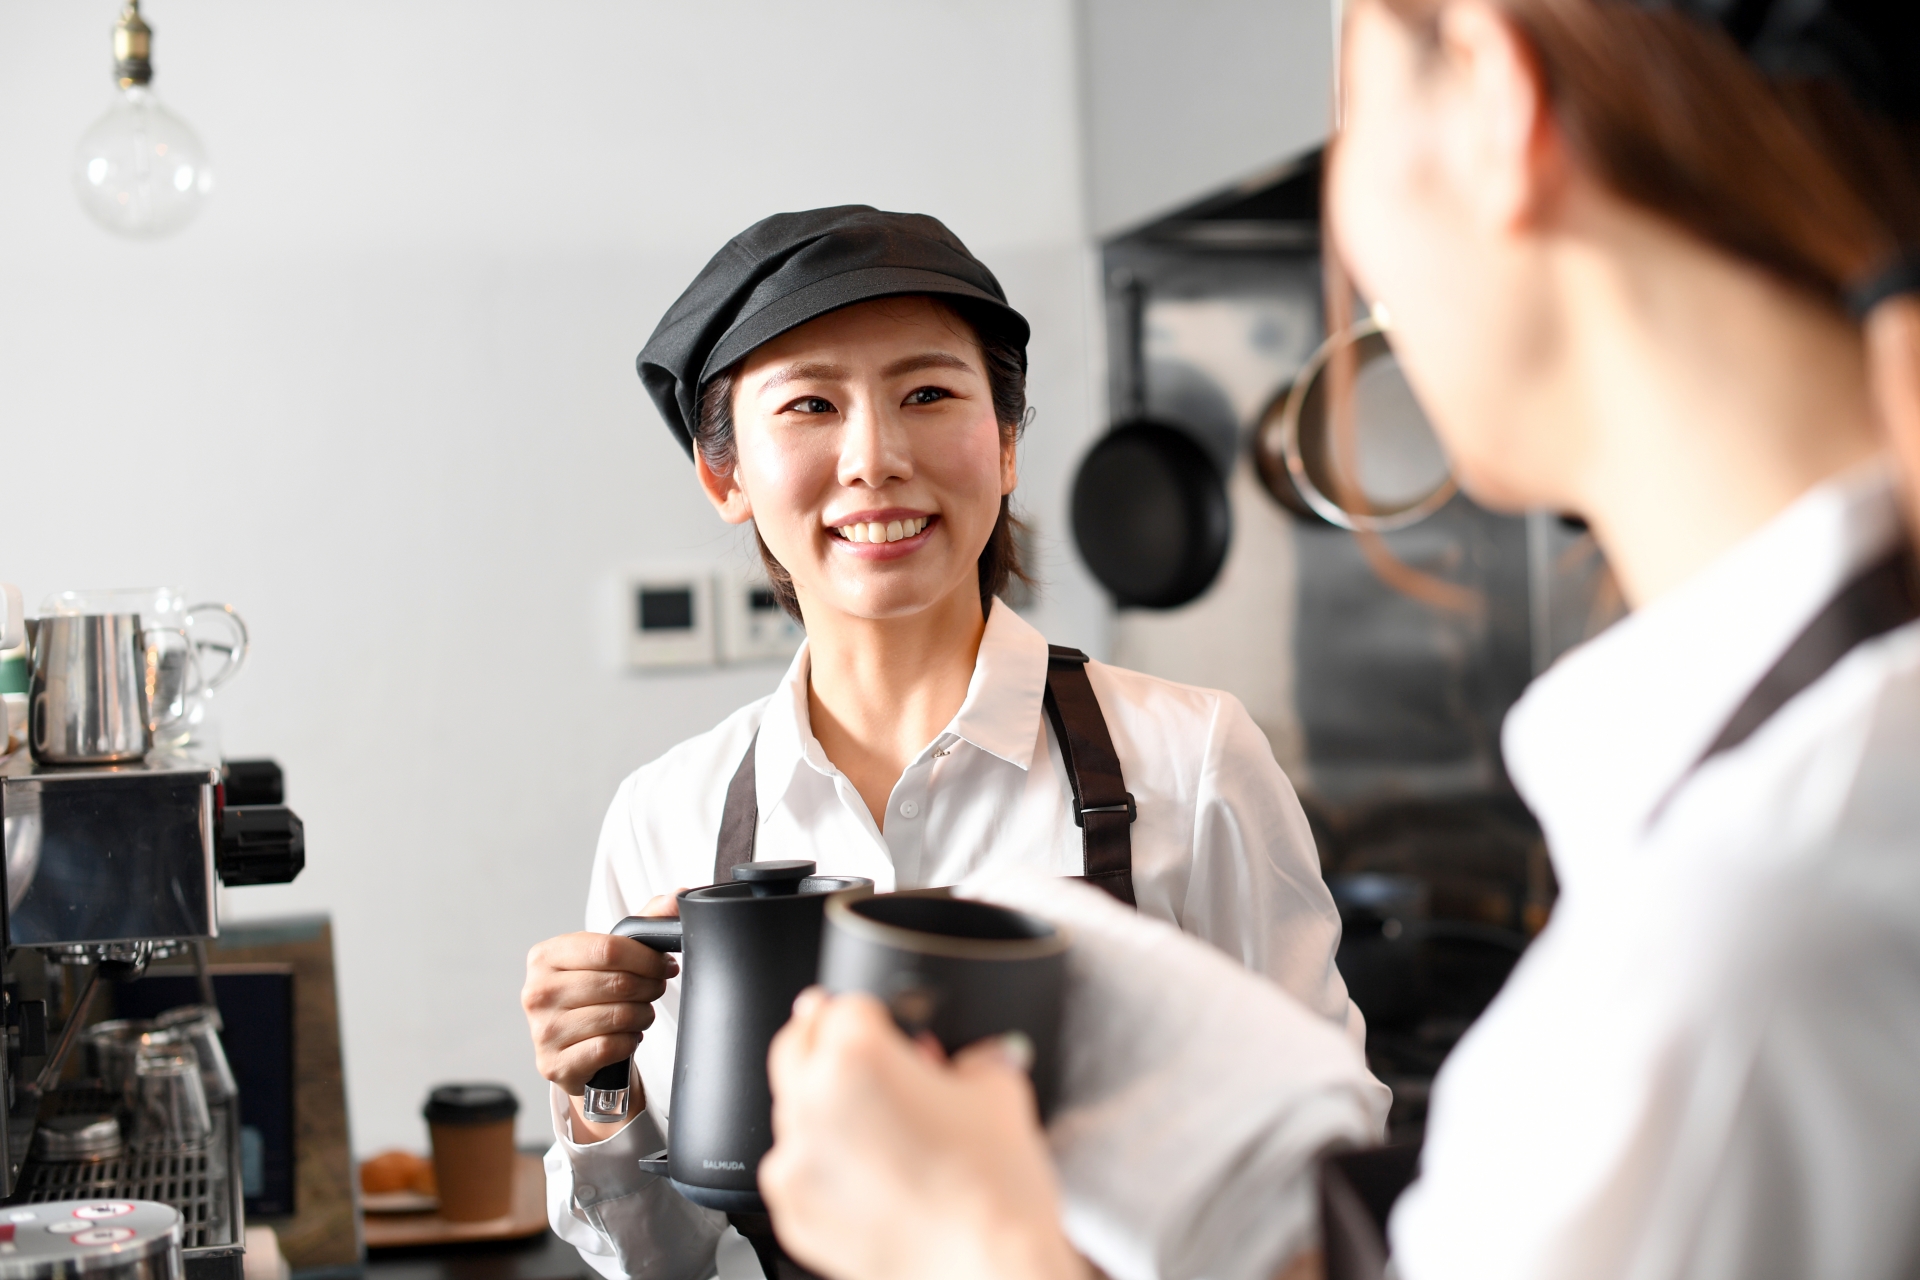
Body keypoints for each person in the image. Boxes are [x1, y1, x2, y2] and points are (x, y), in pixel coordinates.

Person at [754, 2, 1920, 1279]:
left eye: (1348, 118)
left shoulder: (1747, 932)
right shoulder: (1816, 776)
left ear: (1490, 92)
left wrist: (969, 1247)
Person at [520, 207, 1385, 1280]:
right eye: (810, 406)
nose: (875, 458)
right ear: (724, 476)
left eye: (927, 393)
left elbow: (1326, 1171)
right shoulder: (671, 811)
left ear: (1009, 440)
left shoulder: (1192, 756)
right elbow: (664, 1262)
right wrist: (600, 1087)